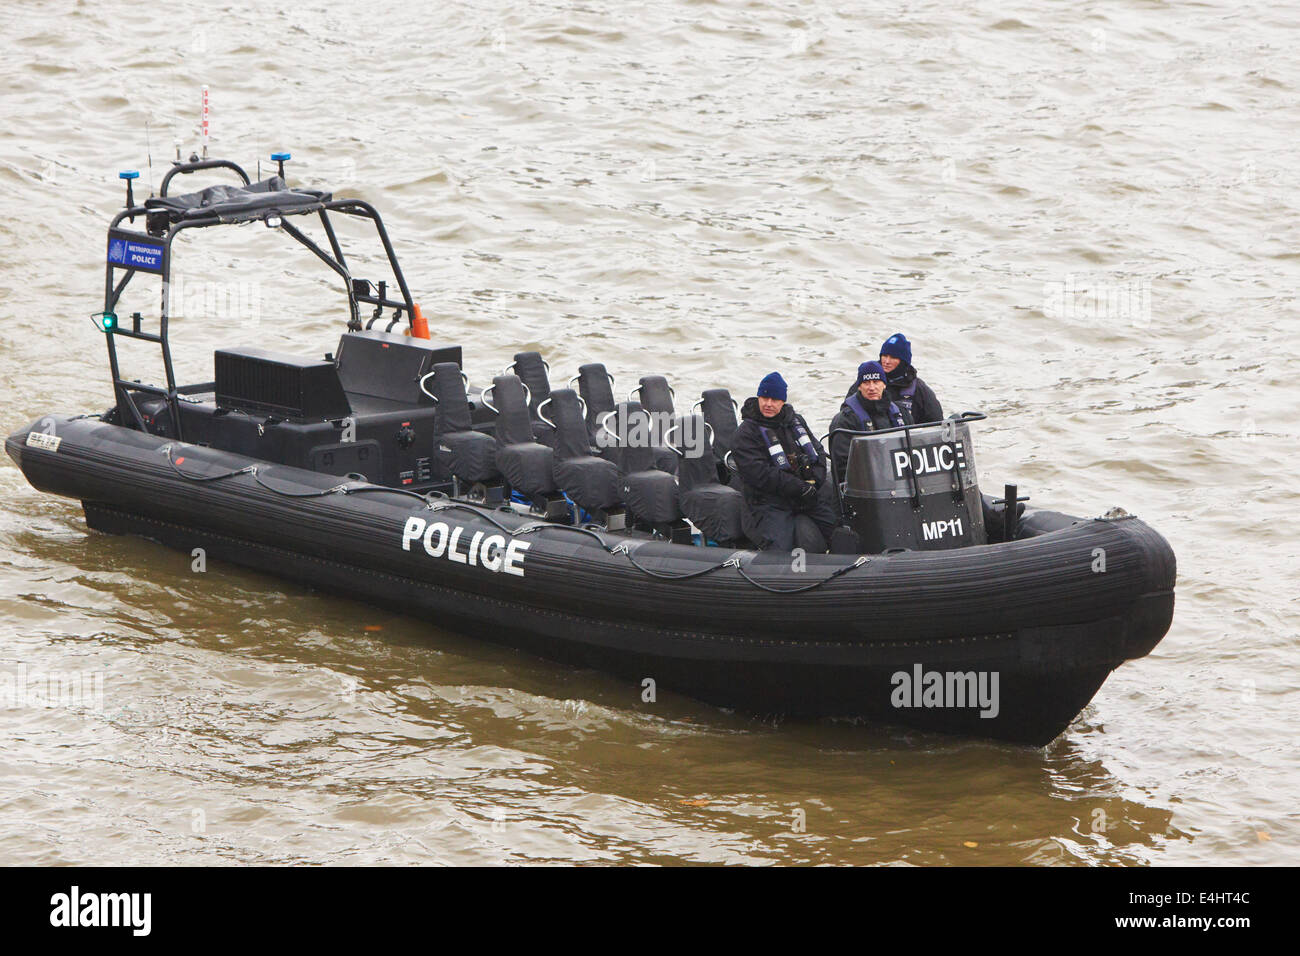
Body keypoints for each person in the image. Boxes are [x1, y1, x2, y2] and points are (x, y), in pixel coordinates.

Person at [732, 372, 837, 552]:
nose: (768, 404)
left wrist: (815, 482)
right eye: (764, 398)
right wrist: (799, 487)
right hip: (767, 503)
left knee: (836, 529)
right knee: (781, 548)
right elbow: (760, 474)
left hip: (804, 497)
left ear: (783, 401)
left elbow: (818, 452)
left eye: (774, 399)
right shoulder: (746, 432)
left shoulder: (795, 422)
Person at [828, 361, 911, 482]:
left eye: (876, 382)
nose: (872, 387)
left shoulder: (902, 413)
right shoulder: (845, 421)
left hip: (901, 482)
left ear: (884, 384)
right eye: (866, 383)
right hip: (866, 488)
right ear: (859, 386)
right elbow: (842, 467)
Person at [879, 332, 942, 425]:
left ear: (903, 361)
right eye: (884, 356)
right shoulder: (867, 383)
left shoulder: (920, 389)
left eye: (893, 357)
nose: (887, 361)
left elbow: (937, 422)